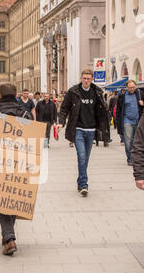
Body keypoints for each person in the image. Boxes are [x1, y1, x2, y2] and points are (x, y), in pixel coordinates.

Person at [0, 82, 33, 256]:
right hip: (21, 161)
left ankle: (9, 237)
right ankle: (8, 235)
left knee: (2, 197)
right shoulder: (25, 113)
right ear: (15, 95)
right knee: (13, 195)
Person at [57, 69, 109, 197]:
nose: (86, 81)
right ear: (81, 78)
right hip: (78, 129)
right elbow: (64, 108)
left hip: (91, 130)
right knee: (81, 156)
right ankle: (84, 185)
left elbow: (102, 110)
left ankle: (80, 181)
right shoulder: (73, 91)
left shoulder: (97, 92)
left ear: (92, 79)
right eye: (84, 78)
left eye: (88, 78)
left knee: (85, 159)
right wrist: (61, 122)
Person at [116, 79, 144, 165]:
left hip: (138, 121)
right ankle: (130, 158)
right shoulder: (122, 96)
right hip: (127, 121)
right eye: (130, 87)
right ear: (126, 87)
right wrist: (118, 122)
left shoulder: (140, 94)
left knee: (138, 141)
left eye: (133, 87)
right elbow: (118, 110)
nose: (132, 89)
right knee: (128, 141)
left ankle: (138, 159)